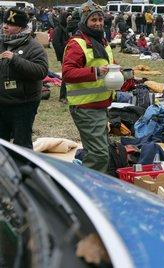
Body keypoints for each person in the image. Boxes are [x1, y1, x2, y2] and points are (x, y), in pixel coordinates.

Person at [62, 1, 115, 173]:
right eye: (93, 20)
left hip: (101, 105)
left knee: (98, 152)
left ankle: (94, 186)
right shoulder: (77, 43)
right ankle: (89, 192)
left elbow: (108, 65)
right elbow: (68, 74)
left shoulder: (103, 41)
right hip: (85, 107)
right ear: (85, 21)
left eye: (100, 19)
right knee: (99, 155)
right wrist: (96, 72)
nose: (98, 23)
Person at [0, 8, 48, 149]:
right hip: (2, 102)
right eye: (4, 22)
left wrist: (15, 59)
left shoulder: (34, 47)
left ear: (20, 27)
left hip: (23, 104)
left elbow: (41, 71)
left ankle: (25, 171)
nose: (5, 26)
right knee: (2, 145)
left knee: (22, 145)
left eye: (10, 24)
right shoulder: (1, 42)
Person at [52, 11, 70, 103]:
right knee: (66, 75)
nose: (69, 19)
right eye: (67, 18)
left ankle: (68, 94)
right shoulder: (58, 29)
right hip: (64, 55)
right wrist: (62, 55)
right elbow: (56, 43)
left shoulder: (65, 28)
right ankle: (62, 96)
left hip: (68, 54)